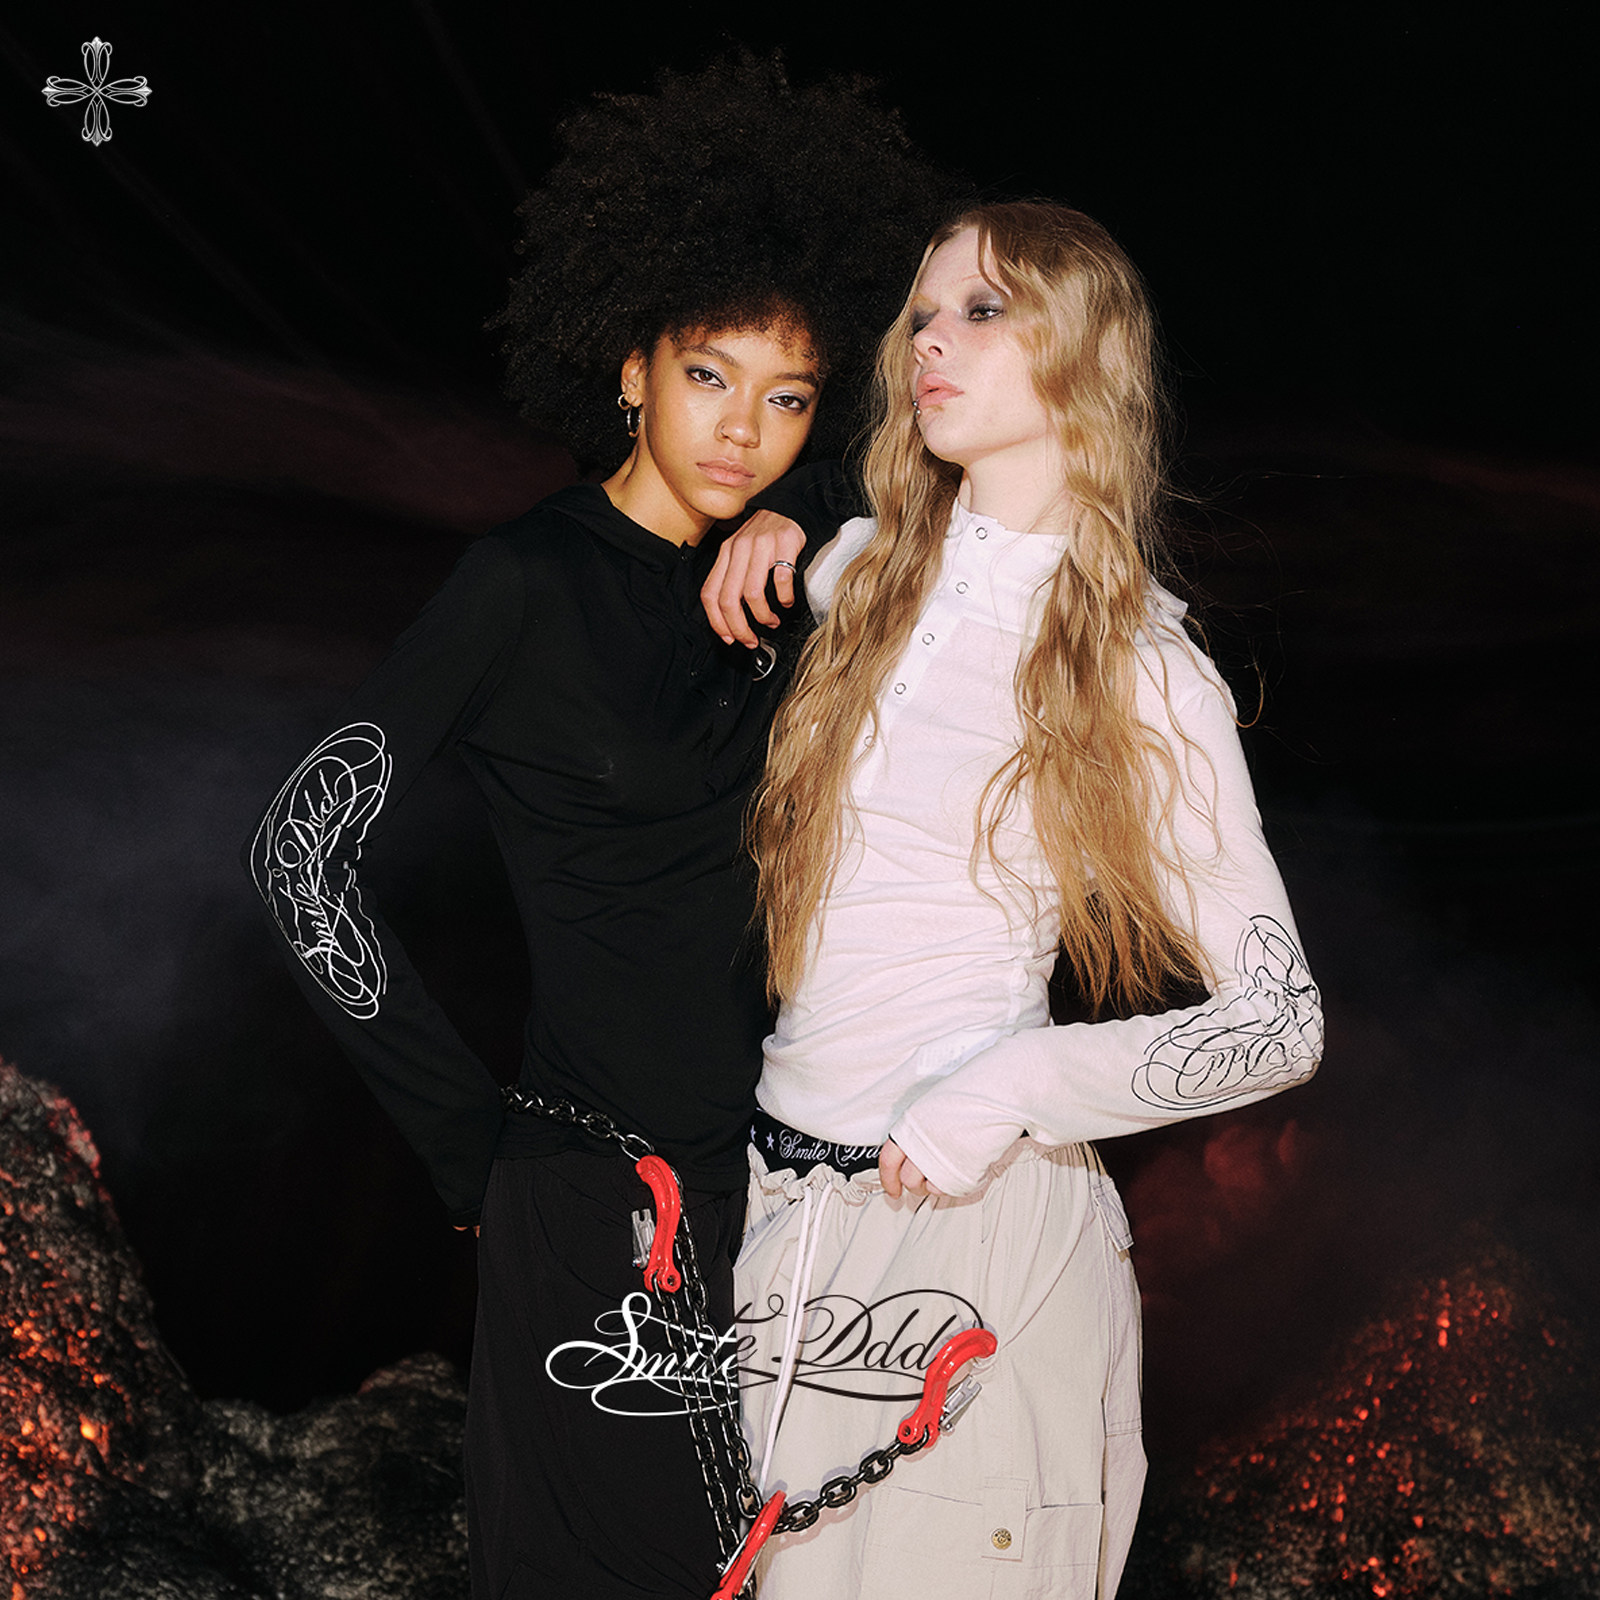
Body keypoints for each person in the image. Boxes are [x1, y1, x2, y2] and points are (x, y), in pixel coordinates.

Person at [243, 54, 951, 1600]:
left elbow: (976, 468)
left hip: (794, 1198)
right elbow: (299, 853)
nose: (743, 429)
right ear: (630, 366)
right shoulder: (521, 585)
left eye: (789, 397)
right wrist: (471, 1148)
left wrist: (818, 498)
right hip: (596, 1197)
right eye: (708, 376)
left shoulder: (809, 573)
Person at [702, 201, 1324, 1598]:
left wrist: (1009, 1088)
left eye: (983, 310)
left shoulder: (1139, 662)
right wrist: (773, 523)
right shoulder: (859, 573)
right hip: (779, 1221)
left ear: (1084, 350)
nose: (931, 339)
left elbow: (1281, 1022)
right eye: (923, 313)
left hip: (971, 1224)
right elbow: (826, 525)